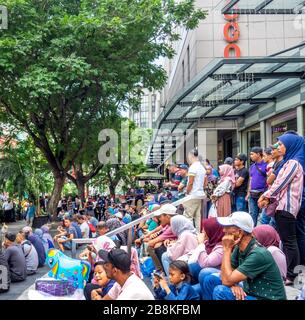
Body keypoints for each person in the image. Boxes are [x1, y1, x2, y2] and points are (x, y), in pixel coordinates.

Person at [201, 212, 287, 300]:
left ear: (240, 232)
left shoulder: (258, 254)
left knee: (220, 291)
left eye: (227, 227)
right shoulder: (239, 248)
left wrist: (226, 249)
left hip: (265, 298)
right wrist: (233, 285)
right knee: (210, 280)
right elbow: (226, 276)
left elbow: (226, 280)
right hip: (250, 293)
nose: (224, 230)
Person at [258, 133, 304, 284]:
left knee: (290, 241)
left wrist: (265, 196)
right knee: (289, 240)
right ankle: (291, 272)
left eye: (282, 144)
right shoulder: (288, 162)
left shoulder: (293, 163)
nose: (278, 147)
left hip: (286, 207)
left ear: (290, 145)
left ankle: (291, 274)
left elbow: (280, 183)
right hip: (284, 206)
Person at [188, 218, 224, 282]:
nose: (202, 231)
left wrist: (200, 244)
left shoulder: (221, 248)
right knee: (191, 266)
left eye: (205, 230)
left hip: (217, 277)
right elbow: (192, 255)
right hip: (204, 277)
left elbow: (205, 263)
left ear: (212, 231)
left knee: (204, 272)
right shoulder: (208, 242)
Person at [183, 148, 206, 232]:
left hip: (193, 194)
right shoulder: (202, 167)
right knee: (197, 216)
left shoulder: (193, 167)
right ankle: (197, 233)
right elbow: (205, 181)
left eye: (188, 156)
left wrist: (187, 192)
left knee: (188, 216)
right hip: (200, 194)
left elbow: (190, 182)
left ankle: (188, 234)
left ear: (191, 156)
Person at [247, 147, 268, 226]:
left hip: (263, 194)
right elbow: (251, 180)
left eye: (252, 154)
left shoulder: (266, 165)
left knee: (263, 216)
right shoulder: (252, 166)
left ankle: (262, 234)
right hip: (252, 194)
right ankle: (252, 233)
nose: (251, 156)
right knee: (253, 214)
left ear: (258, 154)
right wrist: (248, 193)